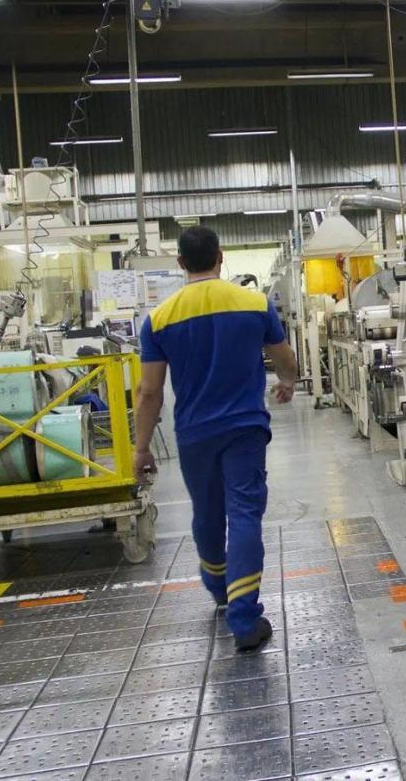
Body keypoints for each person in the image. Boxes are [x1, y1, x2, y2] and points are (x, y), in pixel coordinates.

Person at [133, 226, 298, 653]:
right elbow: (284, 358)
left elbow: (149, 392)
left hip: (194, 435)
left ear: (180, 264)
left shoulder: (159, 319)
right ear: (221, 257)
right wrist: (287, 381)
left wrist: (141, 446)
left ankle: (220, 588)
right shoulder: (253, 303)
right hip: (244, 430)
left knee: (207, 515)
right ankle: (244, 619)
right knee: (244, 514)